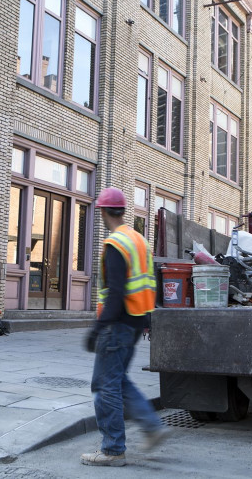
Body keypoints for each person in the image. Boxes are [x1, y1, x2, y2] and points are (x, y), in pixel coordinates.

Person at [81, 187, 170, 467]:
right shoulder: (139, 240)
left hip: (116, 325)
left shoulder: (115, 244)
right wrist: (145, 320)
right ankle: (151, 427)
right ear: (122, 210)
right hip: (134, 322)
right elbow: (150, 283)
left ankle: (112, 450)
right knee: (117, 380)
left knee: (105, 385)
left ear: (104, 212)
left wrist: (98, 328)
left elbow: (116, 291)